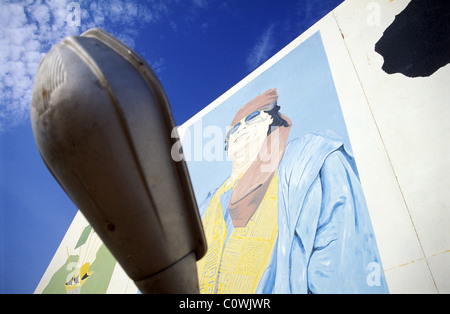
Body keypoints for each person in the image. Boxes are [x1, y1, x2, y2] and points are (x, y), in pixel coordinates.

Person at [196, 89, 388, 294]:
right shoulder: (209, 205)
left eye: (252, 118)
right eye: (233, 130)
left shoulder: (311, 162)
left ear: (270, 122)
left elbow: (342, 266)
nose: (241, 130)